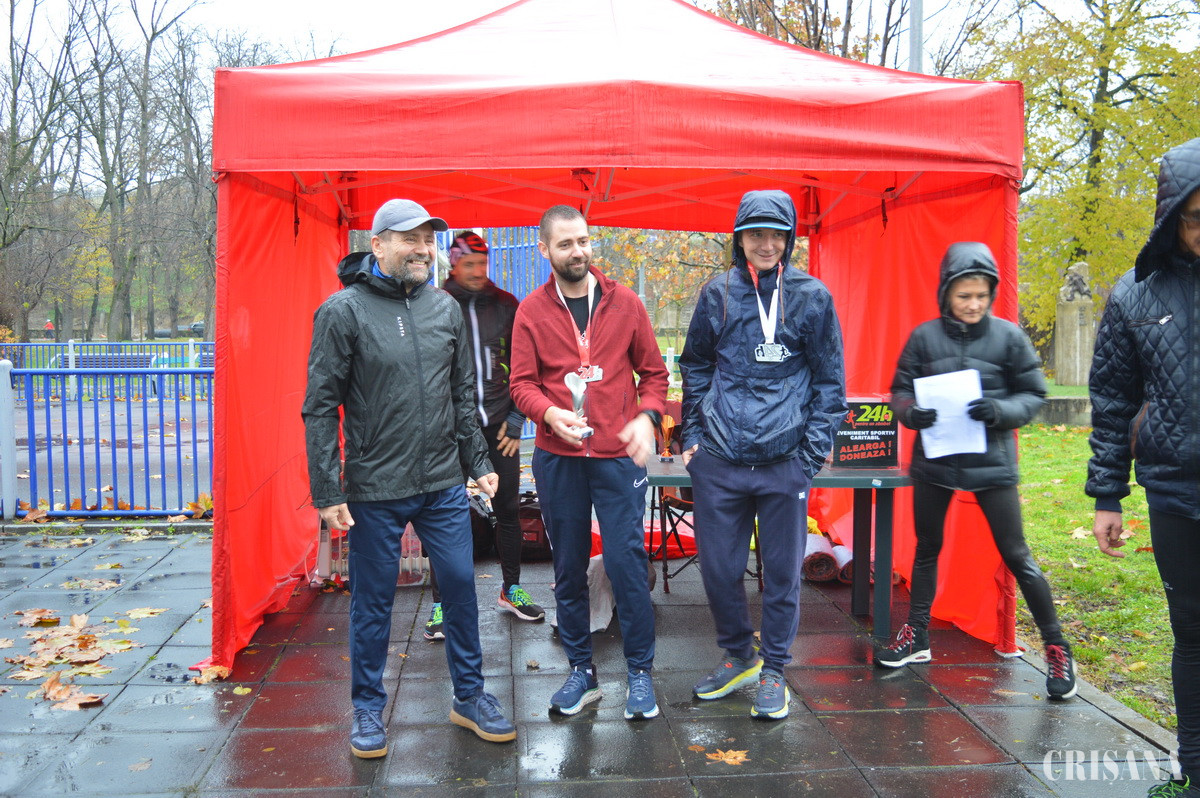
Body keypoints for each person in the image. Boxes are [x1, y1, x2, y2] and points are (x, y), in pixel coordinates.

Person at [302, 198, 516, 758]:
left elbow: (461, 394)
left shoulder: (443, 307)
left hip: (442, 482)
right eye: (409, 238)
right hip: (375, 487)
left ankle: (469, 697)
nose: (423, 249)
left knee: (461, 586)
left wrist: (478, 463)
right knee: (373, 601)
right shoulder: (342, 312)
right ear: (377, 245)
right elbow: (320, 406)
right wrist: (326, 489)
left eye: (428, 239)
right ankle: (368, 708)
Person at [877, 241, 1077, 700]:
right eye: (964, 295)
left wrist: (1000, 411)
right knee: (927, 549)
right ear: (946, 293)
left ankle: (1057, 647)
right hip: (936, 461)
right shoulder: (924, 337)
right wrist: (911, 413)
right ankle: (917, 635)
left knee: (1017, 554)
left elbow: (1034, 394)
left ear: (991, 294)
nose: (973, 304)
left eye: (982, 296)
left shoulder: (1009, 337)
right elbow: (899, 391)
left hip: (992, 464)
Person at [678, 189, 846, 721]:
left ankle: (774, 668)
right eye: (756, 234)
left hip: (784, 461)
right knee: (718, 569)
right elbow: (695, 364)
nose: (767, 244)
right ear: (740, 238)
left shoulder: (812, 297)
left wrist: (808, 456)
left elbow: (830, 382)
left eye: (777, 234)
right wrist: (691, 437)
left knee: (781, 573)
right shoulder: (718, 293)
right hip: (720, 459)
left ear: (789, 239)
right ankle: (739, 656)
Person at [509, 204, 668, 720]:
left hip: (618, 457)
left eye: (583, 241)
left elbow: (654, 374)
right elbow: (521, 384)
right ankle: (582, 671)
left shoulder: (626, 303)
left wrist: (646, 417)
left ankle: (639, 672)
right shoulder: (531, 311)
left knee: (625, 563)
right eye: (565, 244)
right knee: (568, 567)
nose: (577, 252)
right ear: (544, 250)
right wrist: (548, 413)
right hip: (559, 459)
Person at [1088, 137, 1200, 798]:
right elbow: (1111, 402)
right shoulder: (1134, 295)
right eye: (1196, 217)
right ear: (1171, 216)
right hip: (1174, 490)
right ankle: (1195, 763)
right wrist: (1108, 496)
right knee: (1192, 629)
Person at [422, 231, 544, 642]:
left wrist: (517, 418)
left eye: (482, 263)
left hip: (500, 427)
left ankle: (511, 589)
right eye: (468, 264)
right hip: (451, 430)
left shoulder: (507, 305)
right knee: (444, 515)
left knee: (507, 507)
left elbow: (528, 365)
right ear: (453, 264)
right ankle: (442, 604)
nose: (477, 271)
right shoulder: (435, 305)